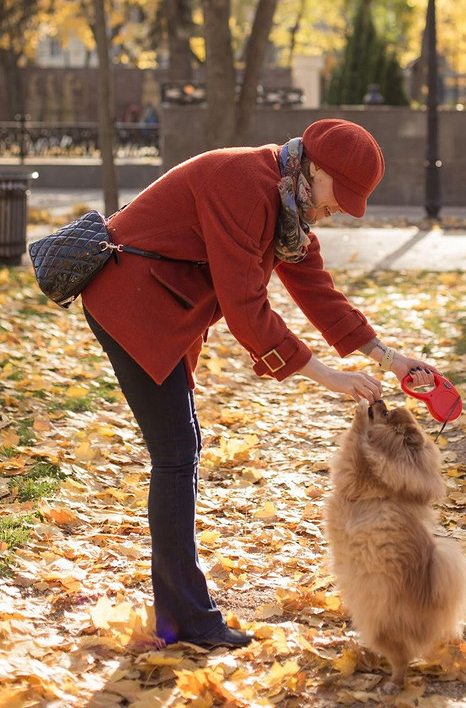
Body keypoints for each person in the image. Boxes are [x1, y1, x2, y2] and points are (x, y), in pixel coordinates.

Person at [81, 118, 437, 649]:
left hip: (166, 306)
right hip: (132, 303)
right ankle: (187, 622)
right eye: (337, 201)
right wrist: (327, 376)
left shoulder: (287, 204)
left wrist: (390, 358)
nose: (334, 214)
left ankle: (179, 615)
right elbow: (246, 310)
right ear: (316, 171)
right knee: (177, 453)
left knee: (180, 451)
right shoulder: (245, 188)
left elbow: (317, 290)